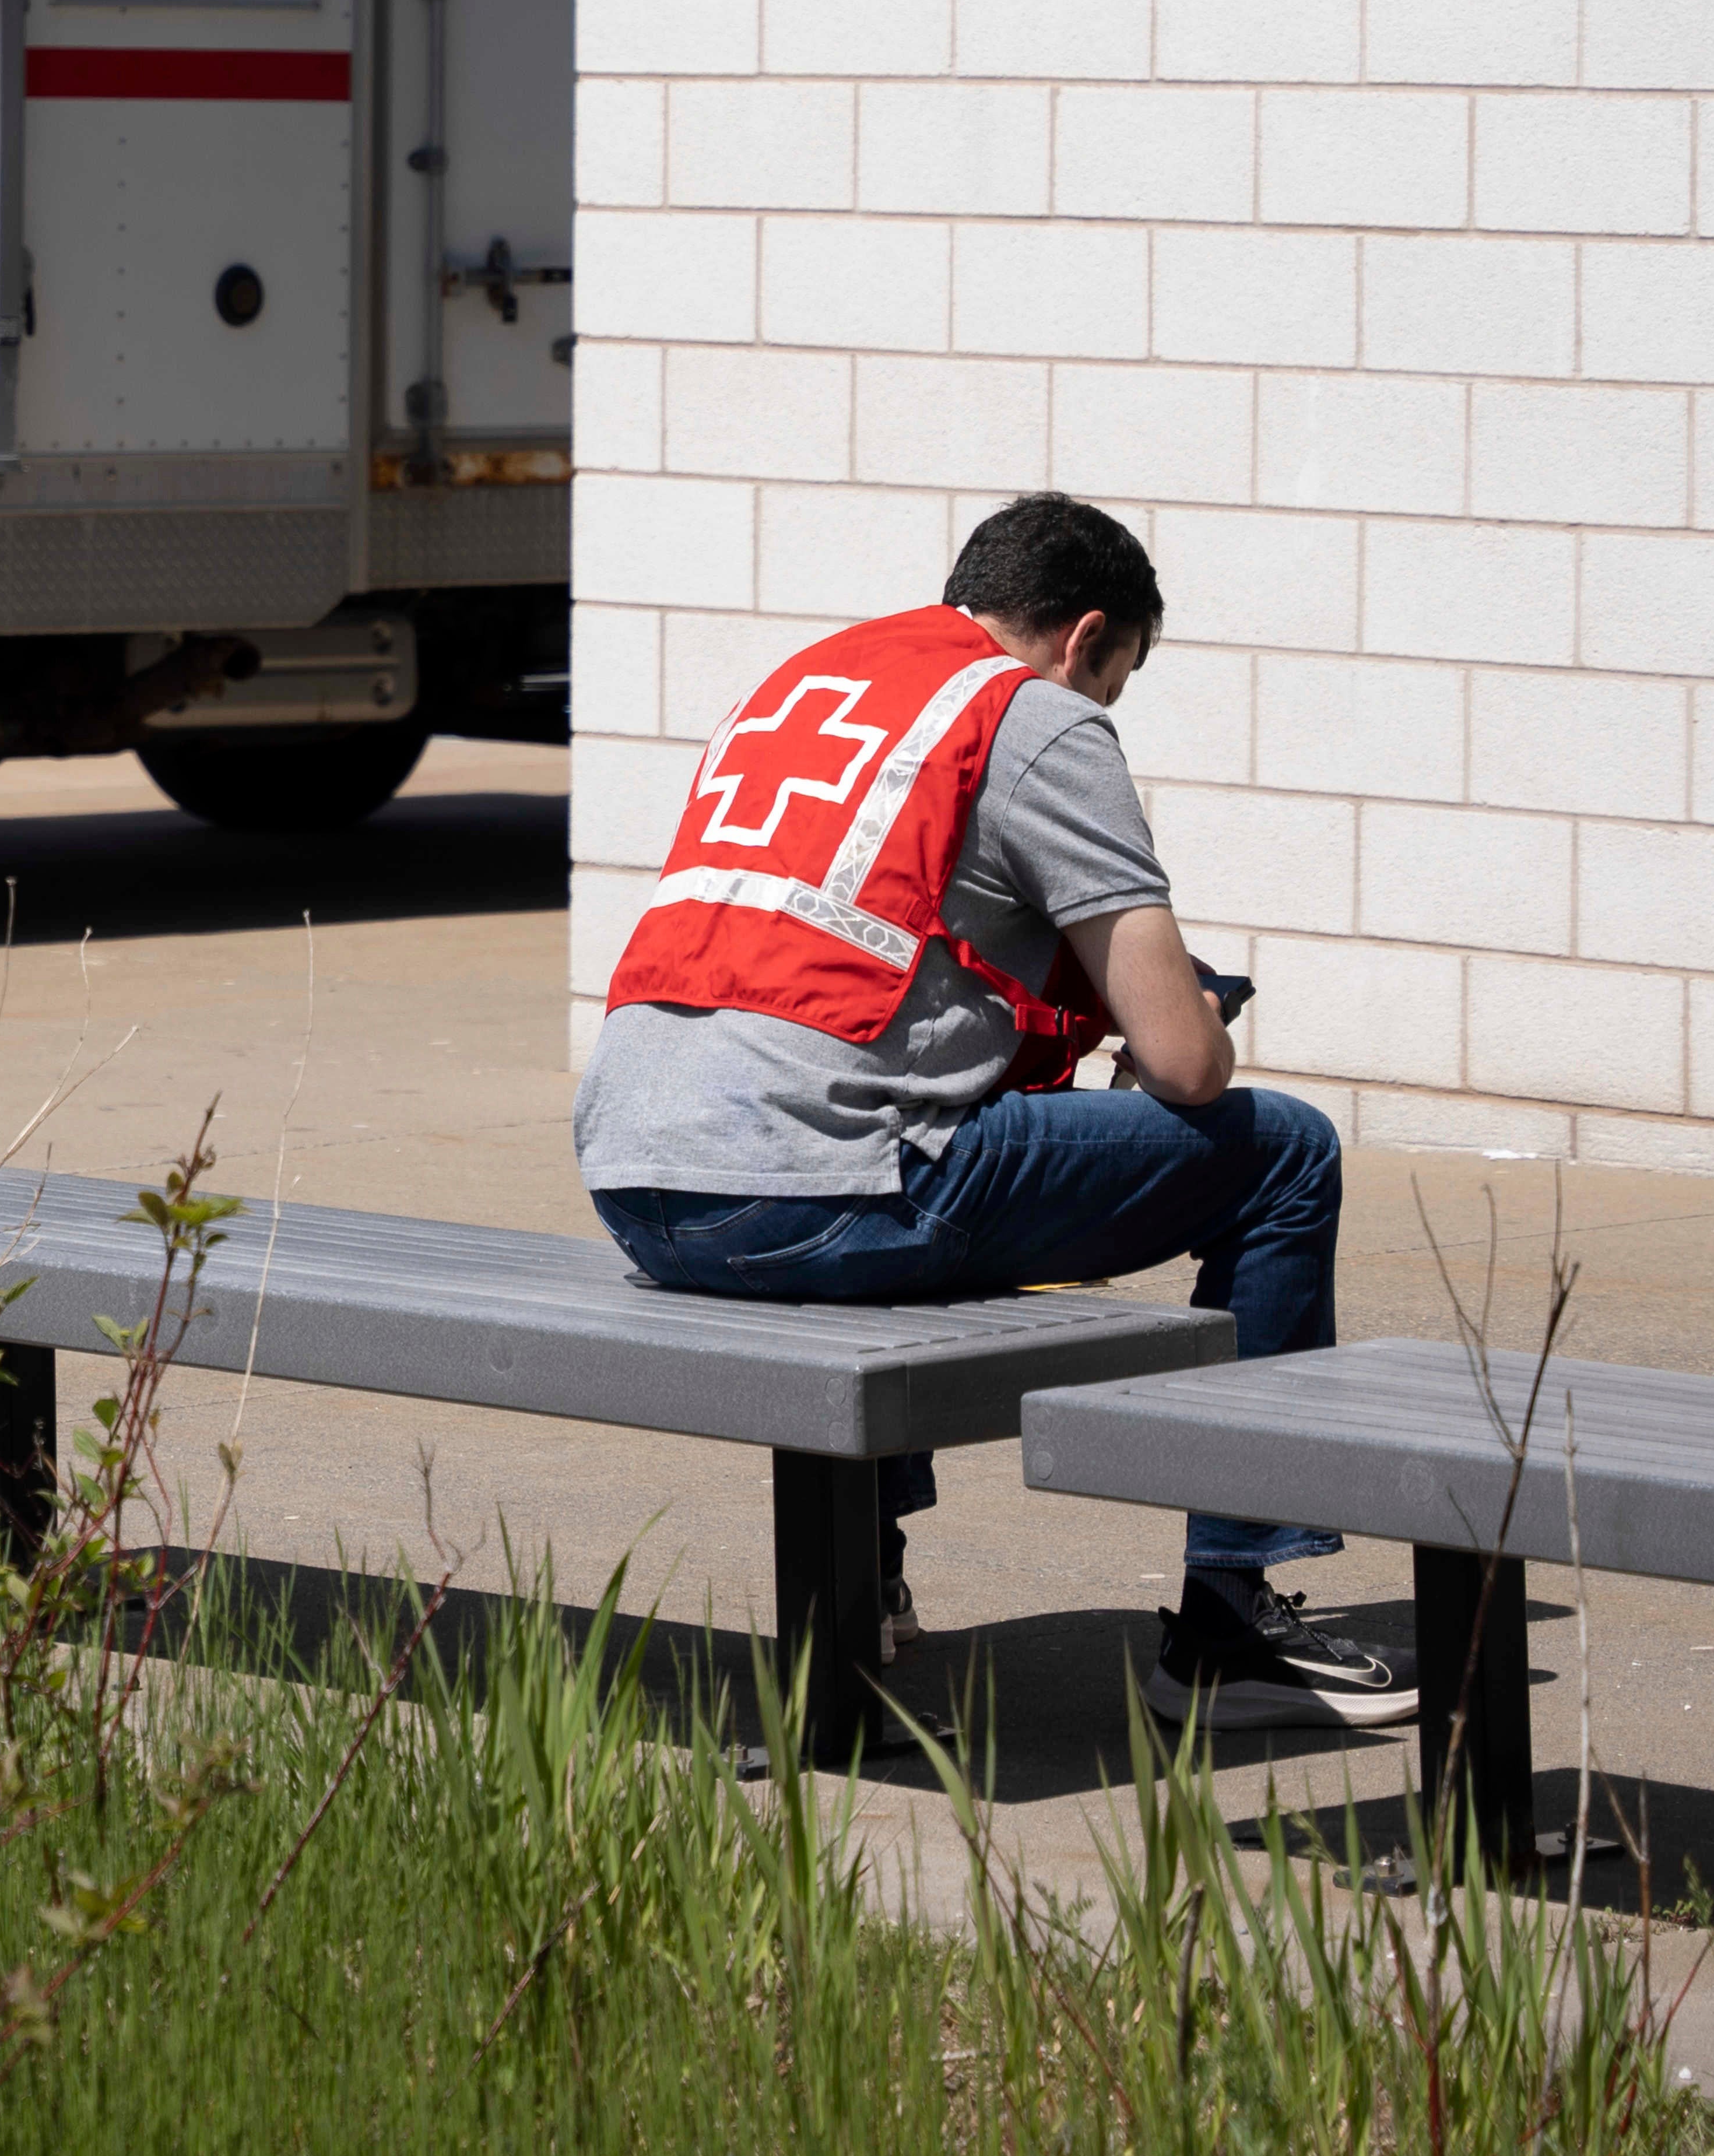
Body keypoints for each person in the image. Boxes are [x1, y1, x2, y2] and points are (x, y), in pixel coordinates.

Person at [576, 491, 1411, 1733]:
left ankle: (871, 1577)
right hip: (808, 1197)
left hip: (640, 1186)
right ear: (1083, 641)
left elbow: (866, 981)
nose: (1102, 706)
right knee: (1284, 1154)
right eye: (1115, 678)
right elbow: (1187, 1067)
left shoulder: (814, 683)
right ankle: (1232, 1616)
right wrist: (1186, 1017)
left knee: (900, 1127)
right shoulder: (1034, 716)